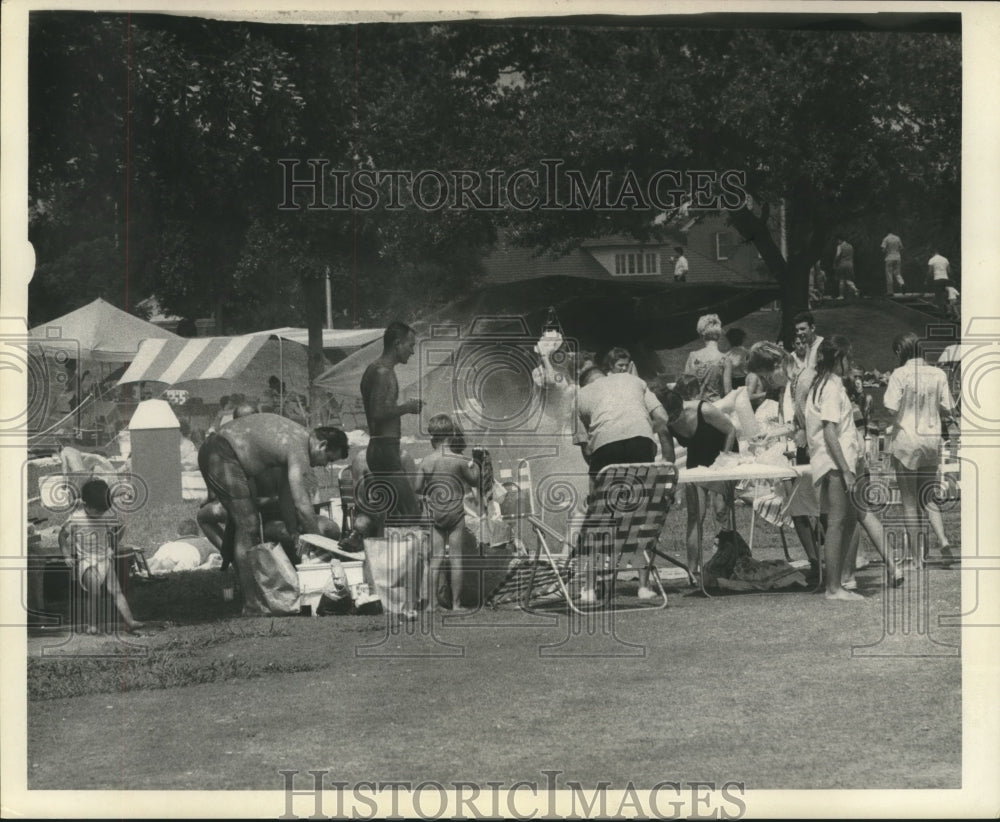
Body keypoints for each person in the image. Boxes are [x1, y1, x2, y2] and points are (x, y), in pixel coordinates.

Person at [197, 414, 348, 613]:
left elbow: (288, 497)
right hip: (221, 452)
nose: (323, 465)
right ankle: (251, 603)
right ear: (322, 445)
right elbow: (302, 504)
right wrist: (319, 546)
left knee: (246, 526)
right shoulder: (298, 447)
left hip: (222, 451)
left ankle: (253, 596)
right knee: (248, 525)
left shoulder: (295, 441)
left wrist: (294, 532)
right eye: (328, 459)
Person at [574, 365, 674, 602]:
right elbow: (662, 417)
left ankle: (589, 588)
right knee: (641, 516)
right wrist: (641, 432)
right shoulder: (632, 380)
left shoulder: (580, 396)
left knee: (596, 519)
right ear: (605, 376)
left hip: (605, 451)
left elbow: (585, 446)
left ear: (585, 383)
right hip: (641, 443)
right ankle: (643, 586)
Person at [883, 332, 956, 566]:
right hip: (931, 439)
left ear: (899, 352)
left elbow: (891, 408)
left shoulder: (899, 374)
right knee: (928, 496)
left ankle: (917, 558)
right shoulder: (938, 373)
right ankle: (943, 540)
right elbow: (948, 407)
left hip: (906, 439)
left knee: (909, 501)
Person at [658, 375, 736, 581]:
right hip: (697, 460)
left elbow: (730, 430)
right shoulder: (664, 423)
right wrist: (668, 483)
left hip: (722, 455)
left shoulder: (703, 409)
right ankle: (692, 569)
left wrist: (725, 461)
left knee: (721, 511)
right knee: (695, 515)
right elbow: (668, 457)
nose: (673, 422)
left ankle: (729, 560)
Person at [58, 478, 142, 634]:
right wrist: (66, 556)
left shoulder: (105, 515)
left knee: (117, 591)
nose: (100, 514)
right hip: (87, 562)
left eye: (103, 511)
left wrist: (114, 544)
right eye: (97, 511)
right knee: (94, 592)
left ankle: (130, 621)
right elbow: (62, 536)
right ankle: (92, 625)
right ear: (85, 504)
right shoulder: (76, 519)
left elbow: (115, 532)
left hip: (104, 559)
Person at [360, 322, 424, 526]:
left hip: (381, 448)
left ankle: (387, 555)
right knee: (411, 511)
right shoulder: (382, 372)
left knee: (392, 514)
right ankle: (403, 557)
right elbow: (377, 412)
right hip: (384, 451)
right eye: (410, 345)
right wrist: (407, 407)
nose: (412, 352)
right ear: (397, 344)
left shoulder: (375, 370)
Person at [415, 414, 480, 611]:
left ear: (431, 438)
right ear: (452, 436)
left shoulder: (426, 461)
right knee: (456, 559)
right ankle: (457, 604)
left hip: (435, 513)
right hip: (455, 513)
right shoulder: (459, 460)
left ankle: (431, 604)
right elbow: (474, 480)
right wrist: (476, 464)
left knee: (435, 559)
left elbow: (417, 487)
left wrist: (428, 493)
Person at [683, 313, 726, 401]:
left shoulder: (693, 356)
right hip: (715, 407)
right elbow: (727, 390)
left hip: (696, 406)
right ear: (719, 334)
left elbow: (686, 384)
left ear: (701, 334)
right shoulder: (724, 359)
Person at [722, 328, 749, 394]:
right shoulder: (747, 352)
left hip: (733, 380)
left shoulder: (728, 354)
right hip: (745, 379)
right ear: (742, 340)